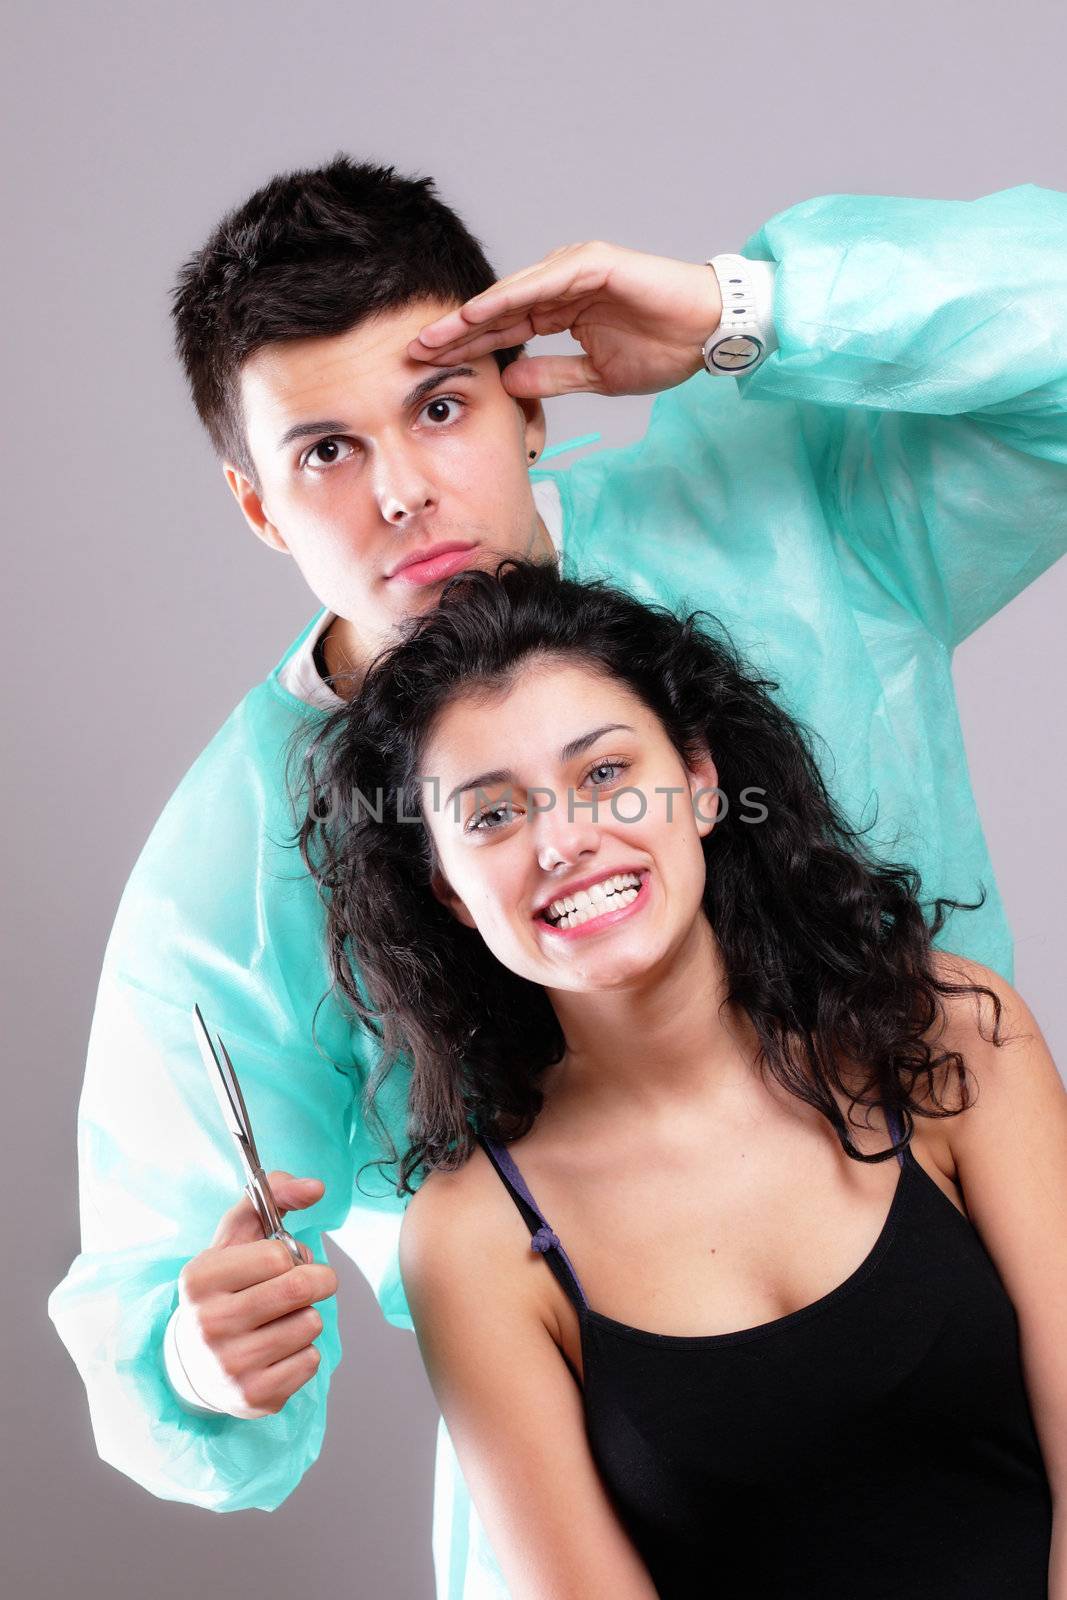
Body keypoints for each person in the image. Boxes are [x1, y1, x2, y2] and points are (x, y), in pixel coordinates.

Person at [45, 153, 1066, 1600]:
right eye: (324, 453)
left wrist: (742, 310)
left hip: (978, 1337)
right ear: (258, 505)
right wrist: (198, 1367)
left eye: (441, 404)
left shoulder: (783, 519)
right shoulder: (228, 873)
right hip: (613, 1489)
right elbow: (157, 1323)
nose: (402, 493)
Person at [295, 555, 1065, 1598]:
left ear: (699, 784)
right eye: (490, 816)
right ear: (449, 891)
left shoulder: (949, 1033)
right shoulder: (473, 1236)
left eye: (604, 774)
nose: (563, 840)